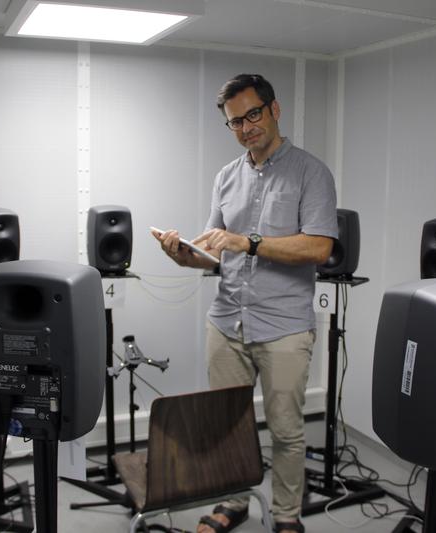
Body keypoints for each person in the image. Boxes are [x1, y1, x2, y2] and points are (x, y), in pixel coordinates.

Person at [153, 73, 337, 533]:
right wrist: (183, 256)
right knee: (226, 427)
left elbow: (318, 249)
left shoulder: (311, 172)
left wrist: (248, 241)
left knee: (287, 431)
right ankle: (234, 503)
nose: (245, 128)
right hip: (227, 323)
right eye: (235, 122)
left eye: (253, 115)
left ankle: (286, 515)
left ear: (275, 111)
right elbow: (216, 254)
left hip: (285, 327)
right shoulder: (226, 177)